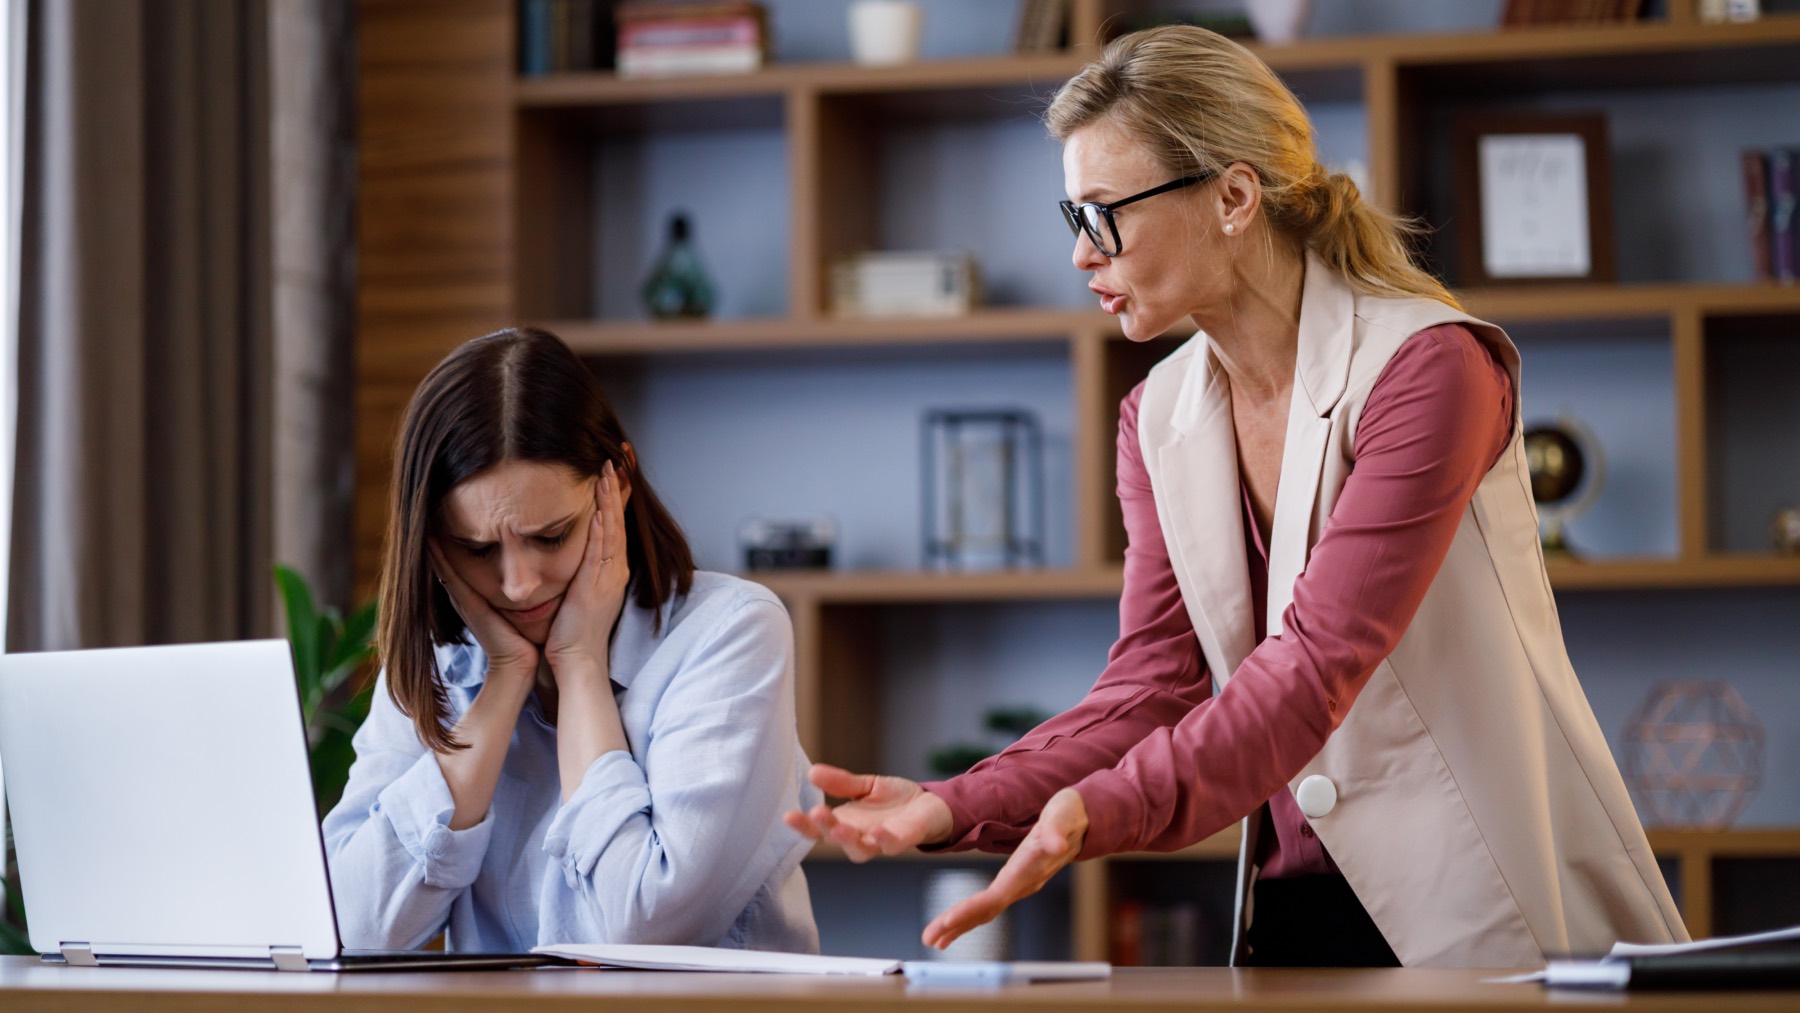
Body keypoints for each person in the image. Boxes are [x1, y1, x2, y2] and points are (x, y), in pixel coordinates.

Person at [786, 25, 1686, 968]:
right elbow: (1149, 690)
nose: (1083, 254)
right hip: (1288, 908)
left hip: (1482, 909)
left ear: (1233, 197)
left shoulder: (1430, 369)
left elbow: (1315, 663)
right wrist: (954, 804)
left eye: (1104, 213)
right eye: (1073, 218)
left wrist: (1102, 807)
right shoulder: (1155, 415)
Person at [325, 327, 820, 953]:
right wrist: (504, 680)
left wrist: (580, 664)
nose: (518, 585)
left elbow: (642, 927)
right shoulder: (440, 663)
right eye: (477, 550)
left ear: (619, 482)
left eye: (551, 536)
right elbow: (351, 931)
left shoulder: (730, 631)